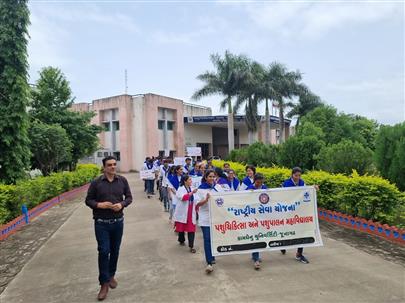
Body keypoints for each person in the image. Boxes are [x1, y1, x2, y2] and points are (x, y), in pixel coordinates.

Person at [85, 156, 133, 301]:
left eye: (114, 164)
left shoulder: (122, 181)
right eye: (109, 165)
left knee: (115, 250)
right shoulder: (96, 183)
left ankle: (111, 275)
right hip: (101, 223)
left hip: (118, 222)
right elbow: (88, 200)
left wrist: (122, 204)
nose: (113, 167)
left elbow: (129, 197)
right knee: (104, 251)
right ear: (104, 167)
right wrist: (100, 205)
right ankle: (104, 283)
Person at [280, 167, 317, 264]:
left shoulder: (302, 182)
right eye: (296, 175)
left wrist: (313, 188)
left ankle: (299, 254)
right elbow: (281, 196)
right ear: (292, 175)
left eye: (299, 175)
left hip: (299, 212)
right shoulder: (286, 183)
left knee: (301, 231)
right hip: (288, 212)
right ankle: (283, 245)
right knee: (287, 230)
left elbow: (306, 191)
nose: (298, 177)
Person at [195, 169, 223, 274]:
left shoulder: (218, 187)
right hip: (205, 218)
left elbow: (224, 199)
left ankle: (213, 255)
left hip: (216, 217)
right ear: (206, 177)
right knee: (207, 239)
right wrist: (205, 200)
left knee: (214, 238)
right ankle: (209, 262)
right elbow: (197, 204)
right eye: (210, 176)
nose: (212, 178)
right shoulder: (200, 189)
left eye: (213, 176)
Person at [245, 173, 268, 270]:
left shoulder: (264, 187)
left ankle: (256, 255)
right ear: (254, 181)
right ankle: (256, 258)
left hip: (262, 216)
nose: (260, 184)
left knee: (259, 236)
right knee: (255, 236)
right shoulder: (249, 188)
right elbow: (243, 199)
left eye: (261, 182)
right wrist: (248, 194)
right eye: (258, 182)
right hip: (252, 217)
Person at [173, 175, 198, 253]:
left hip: (191, 211)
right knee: (182, 228)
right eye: (189, 180)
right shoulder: (180, 189)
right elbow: (183, 198)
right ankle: (181, 240)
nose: (191, 181)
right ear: (185, 181)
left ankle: (191, 246)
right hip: (183, 211)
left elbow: (196, 199)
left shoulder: (192, 188)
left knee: (191, 229)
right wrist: (191, 193)